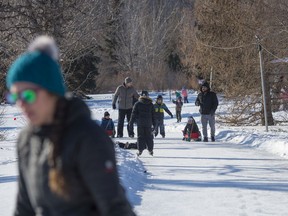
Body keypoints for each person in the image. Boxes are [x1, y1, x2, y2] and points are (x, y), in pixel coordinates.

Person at [6, 36, 135, 216]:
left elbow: (115, 208)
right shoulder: (27, 140)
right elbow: (24, 208)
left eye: (27, 95)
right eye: (14, 97)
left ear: (51, 91)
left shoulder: (88, 137)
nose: (21, 104)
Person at [129, 90, 155, 156]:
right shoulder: (151, 104)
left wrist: (131, 122)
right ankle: (150, 150)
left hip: (140, 123)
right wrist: (155, 124)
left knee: (140, 136)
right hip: (148, 123)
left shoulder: (137, 104)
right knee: (149, 136)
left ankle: (140, 150)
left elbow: (133, 114)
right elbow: (153, 115)